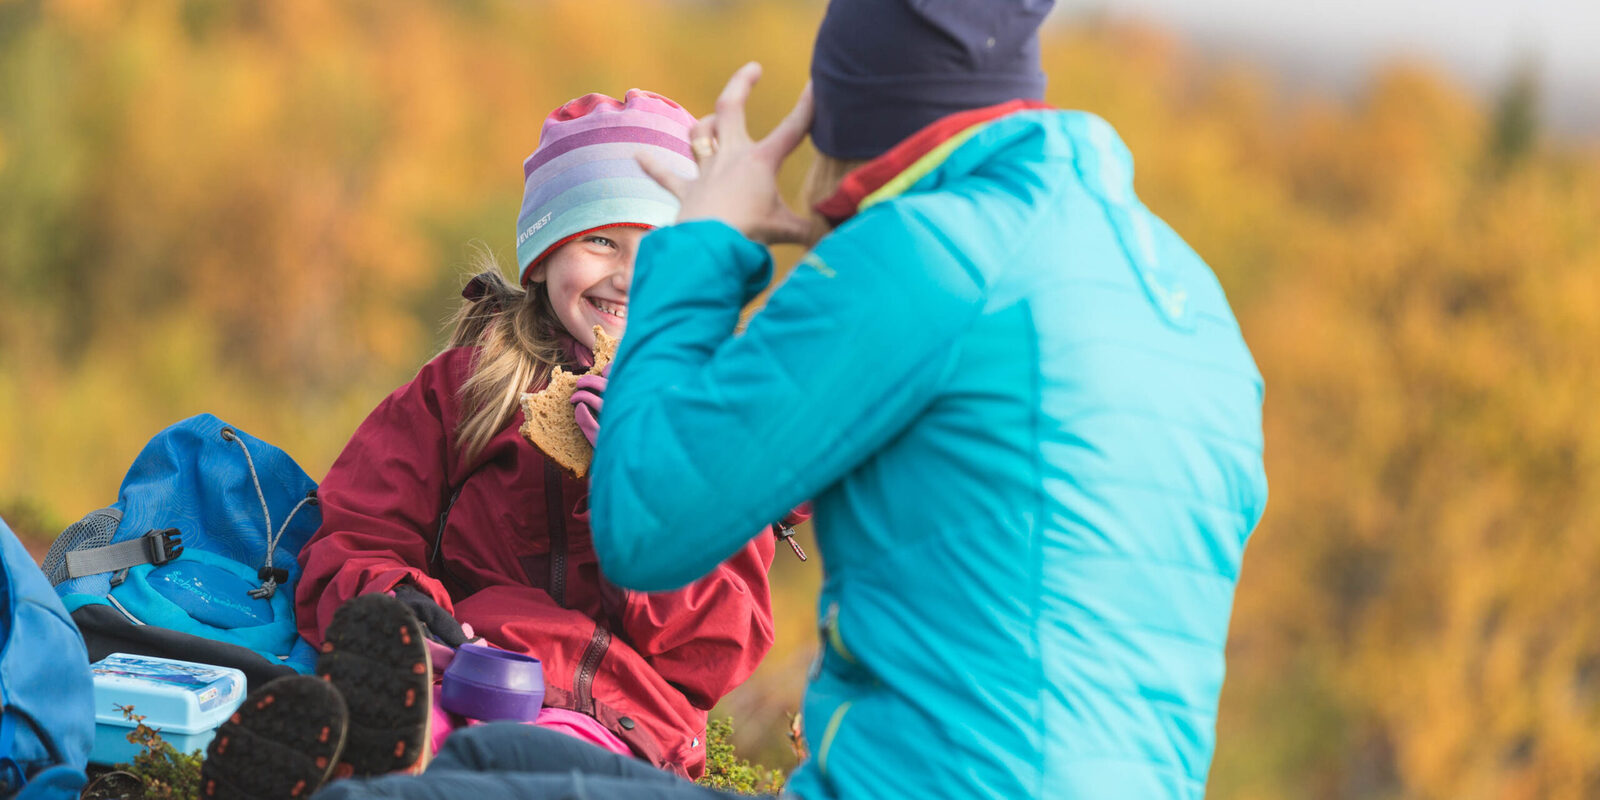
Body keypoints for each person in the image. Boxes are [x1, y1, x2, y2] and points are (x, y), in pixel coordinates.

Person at [235, 0, 1269, 797]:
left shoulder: (928, 258)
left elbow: (649, 527)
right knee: (504, 761)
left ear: (857, 126)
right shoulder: (1178, 296)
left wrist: (710, 242)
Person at [288, 89, 782, 781]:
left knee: (518, 771)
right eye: (600, 239)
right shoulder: (465, 389)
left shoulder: (712, 425)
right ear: (544, 258)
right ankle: (346, 753)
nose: (628, 274)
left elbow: (714, 649)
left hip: (616, 715)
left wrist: (641, 483)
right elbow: (357, 530)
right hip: (465, 669)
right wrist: (401, 605)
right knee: (412, 738)